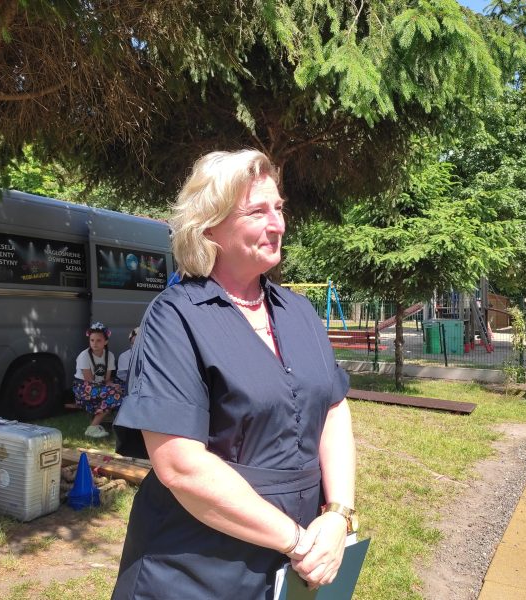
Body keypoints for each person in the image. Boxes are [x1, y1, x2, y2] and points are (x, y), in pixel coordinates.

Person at [111, 150, 356, 600]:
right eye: (257, 211)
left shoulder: (300, 312)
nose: (278, 224)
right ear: (209, 227)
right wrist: (297, 541)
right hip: (196, 569)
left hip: (298, 561)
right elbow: (180, 465)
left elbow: (333, 407)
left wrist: (339, 514)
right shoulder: (175, 317)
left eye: (278, 208)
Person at [72, 322, 123, 439]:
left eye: (98, 340)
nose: (94, 343)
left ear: (106, 341)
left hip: (100, 386)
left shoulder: (109, 355)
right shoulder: (84, 356)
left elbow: (107, 379)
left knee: (122, 389)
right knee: (114, 394)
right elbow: (89, 380)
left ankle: (121, 423)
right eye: (92, 340)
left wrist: (113, 385)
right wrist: (110, 388)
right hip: (84, 388)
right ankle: (93, 427)